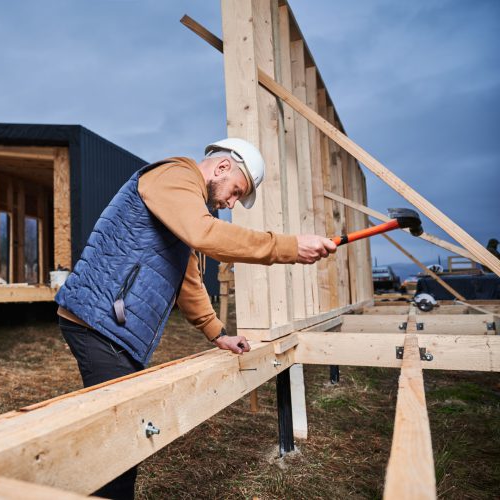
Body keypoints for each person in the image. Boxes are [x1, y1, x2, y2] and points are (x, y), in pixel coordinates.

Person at [55, 138, 336, 499]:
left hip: (112, 326)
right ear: (221, 168)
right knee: (122, 439)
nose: (231, 203)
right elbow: (205, 235)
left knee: (121, 433)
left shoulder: (185, 207)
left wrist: (218, 332)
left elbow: (186, 279)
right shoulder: (173, 176)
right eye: (236, 191)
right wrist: (288, 246)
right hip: (97, 322)